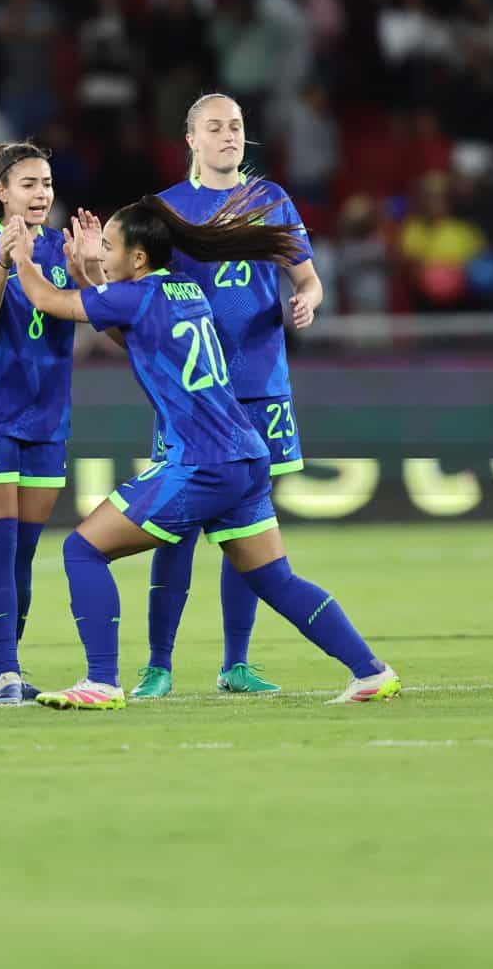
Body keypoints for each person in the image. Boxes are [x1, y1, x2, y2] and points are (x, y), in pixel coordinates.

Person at [3, 205, 398, 710]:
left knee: (82, 550)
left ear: (138, 258)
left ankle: (101, 681)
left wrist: (21, 256)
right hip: (245, 456)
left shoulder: (136, 296)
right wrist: (91, 274)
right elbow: (129, 331)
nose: (101, 251)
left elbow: (45, 299)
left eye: (109, 245)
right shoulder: (183, 290)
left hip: (202, 462)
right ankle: (371, 671)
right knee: (274, 579)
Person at [130, 94, 323, 700]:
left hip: (261, 387)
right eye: (214, 127)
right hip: (193, 393)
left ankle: (236, 663)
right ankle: (158, 666)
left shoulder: (271, 200)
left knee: (249, 528)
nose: (228, 135)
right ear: (191, 138)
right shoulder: (165, 210)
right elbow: (139, 286)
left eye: (235, 126)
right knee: (175, 528)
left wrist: (307, 298)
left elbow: (306, 274)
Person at [0, 143, 104, 704]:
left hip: (47, 416)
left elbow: (103, 316)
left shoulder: (63, 247)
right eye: (29, 184)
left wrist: (90, 270)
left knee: (22, 553)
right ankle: (6, 672)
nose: (41, 194)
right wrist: (2, 263)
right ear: (1, 192)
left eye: (47, 183)